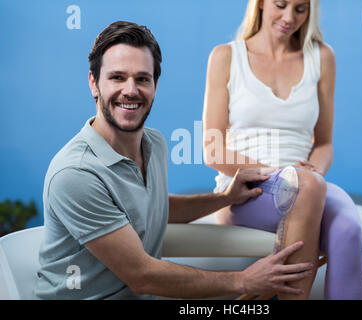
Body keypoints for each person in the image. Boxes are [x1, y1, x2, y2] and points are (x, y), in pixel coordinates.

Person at [34, 21, 314, 300]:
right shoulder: (76, 173)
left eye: (142, 78)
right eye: (117, 77)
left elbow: (155, 207)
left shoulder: (153, 144)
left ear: (155, 85)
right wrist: (244, 281)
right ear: (94, 83)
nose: (131, 90)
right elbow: (142, 275)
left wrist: (227, 197)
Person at [203, 0, 362, 299]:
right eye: (281, 4)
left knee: (348, 230)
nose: (289, 17)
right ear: (262, 3)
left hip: (307, 184)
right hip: (247, 189)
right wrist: (281, 176)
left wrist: (312, 174)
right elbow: (213, 150)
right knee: (303, 185)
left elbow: (324, 143)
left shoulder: (322, 57)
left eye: (301, 9)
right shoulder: (226, 57)